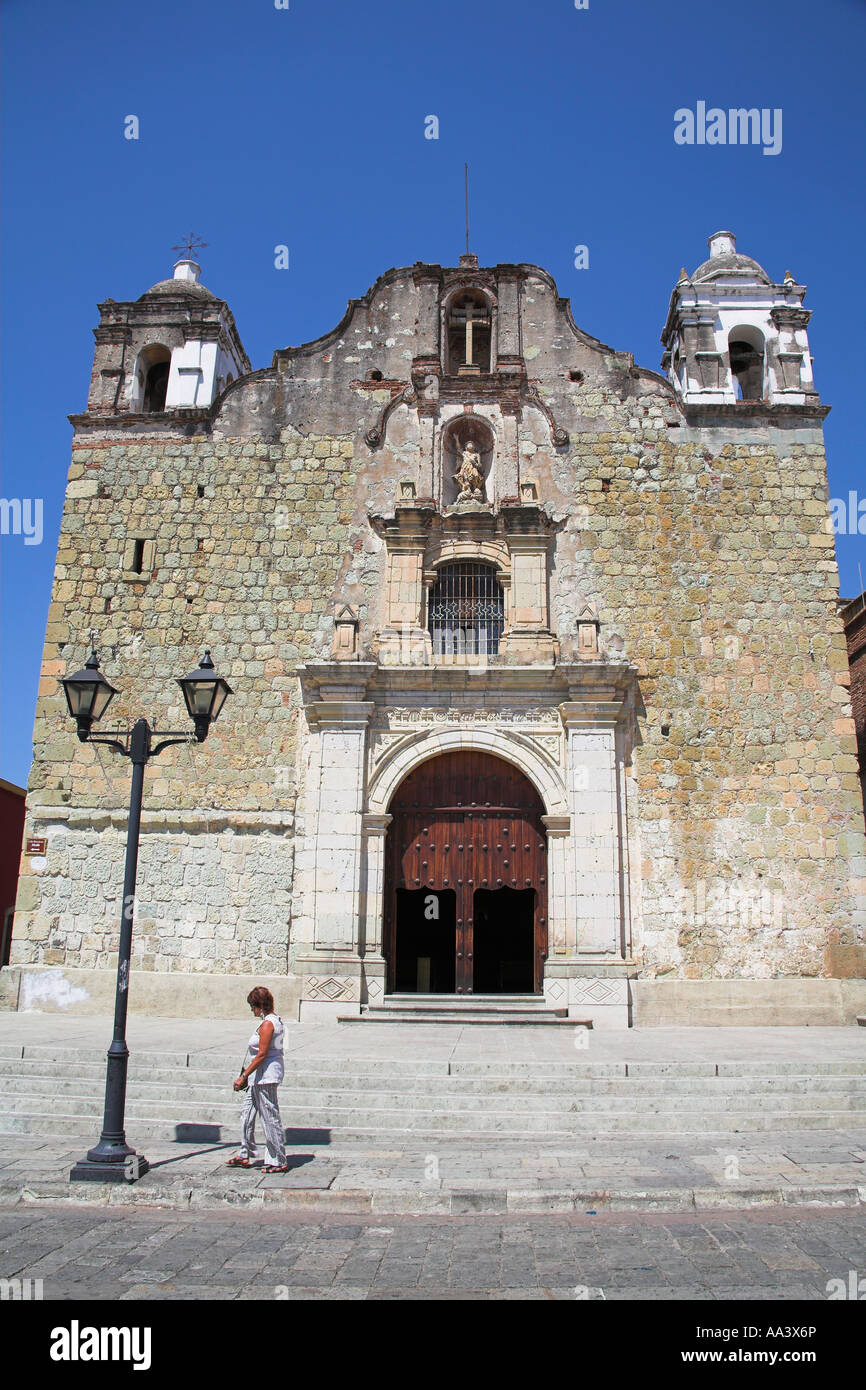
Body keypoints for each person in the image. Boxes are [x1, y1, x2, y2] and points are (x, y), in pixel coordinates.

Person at [225, 986, 288, 1173]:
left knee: (270, 1117)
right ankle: (245, 1152)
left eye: (252, 1006)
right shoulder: (272, 1021)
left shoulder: (269, 1023)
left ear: (260, 1005)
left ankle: (278, 1159)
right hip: (257, 1077)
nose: (252, 1010)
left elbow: (262, 1054)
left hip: (265, 1077)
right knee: (246, 1114)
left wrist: (244, 1076)